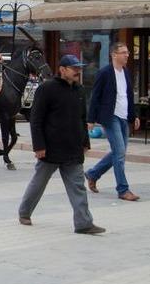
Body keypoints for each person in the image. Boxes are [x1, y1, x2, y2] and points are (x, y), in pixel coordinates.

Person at [18, 55, 105, 235]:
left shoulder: (80, 91)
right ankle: (24, 212)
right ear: (62, 69)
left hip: (73, 148)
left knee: (78, 187)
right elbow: (36, 120)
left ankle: (83, 223)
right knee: (39, 183)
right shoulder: (46, 89)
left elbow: (82, 119)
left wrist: (85, 142)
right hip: (50, 149)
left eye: (79, 68)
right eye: (74, 68)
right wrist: (39, 146)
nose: (77, 72)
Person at [84, 42, 141, 202]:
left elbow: (128, 96)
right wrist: (91, 119)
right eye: (123, 52)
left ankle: (93, 174)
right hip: (110, 117)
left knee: (118, 152)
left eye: (127, 52)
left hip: (124, 116)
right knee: (120, 153)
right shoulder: (105, 73)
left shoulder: (126, 72)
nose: (127, 55)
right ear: (114, 55)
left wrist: (133, 115)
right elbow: (95, 97)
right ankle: (123, 189)